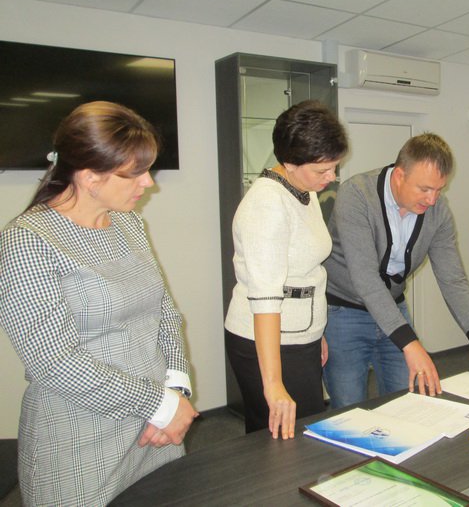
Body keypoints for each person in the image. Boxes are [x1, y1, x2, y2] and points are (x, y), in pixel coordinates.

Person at [0, 101, 198, 506]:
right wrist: (161, 404)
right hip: (80, 436)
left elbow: (163, 310)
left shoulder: (127, 222)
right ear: (90, 177)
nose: (148, 183)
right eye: (135, 173)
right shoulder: (28, 240)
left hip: (155, 430)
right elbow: (54, 362)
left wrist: (176, 387)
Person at [323, 133, 469, 409]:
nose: (432, 199)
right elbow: (366, 279)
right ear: (399, 175)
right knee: (349, 408)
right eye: (425, 189)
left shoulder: (438, 212)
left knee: (406, 403)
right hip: (344, 312)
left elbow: (453, 280)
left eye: (439, 189)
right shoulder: (357, 195)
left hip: (393, 308)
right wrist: (411, 343)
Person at [224, 100, 348, 438]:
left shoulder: (302, 190)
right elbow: (265, 299)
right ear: (290, 162)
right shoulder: (267, 204)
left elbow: (304, 271)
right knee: (282, 441)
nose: (331, 177)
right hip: (267, 341)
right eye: (322, 170)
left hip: (297, 334)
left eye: (334, 167)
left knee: (301, 432)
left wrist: (315, 332)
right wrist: (274, 384)